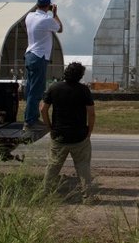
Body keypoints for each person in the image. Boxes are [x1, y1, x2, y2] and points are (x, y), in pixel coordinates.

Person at [40, 61, 95, 193]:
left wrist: (50, 127)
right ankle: (87, 195)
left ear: (65, 72)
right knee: (83, 167)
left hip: (59, 134)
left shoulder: (54, 88)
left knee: (53, 166)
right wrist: (89, 131)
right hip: (79, 136)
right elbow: (91, 113)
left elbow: (43, 109)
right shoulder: (84, 90)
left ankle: (45, 193)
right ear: (80, 76)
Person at [23, 0, 63, 133]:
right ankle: (30, 121)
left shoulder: (29, 16)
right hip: (39, 56)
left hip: (30, 54)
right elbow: (60, 28)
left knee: (30, 89)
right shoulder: (47, 19)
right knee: (36, 90)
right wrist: (55, 13)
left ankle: (29, 118)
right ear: (49, 5)